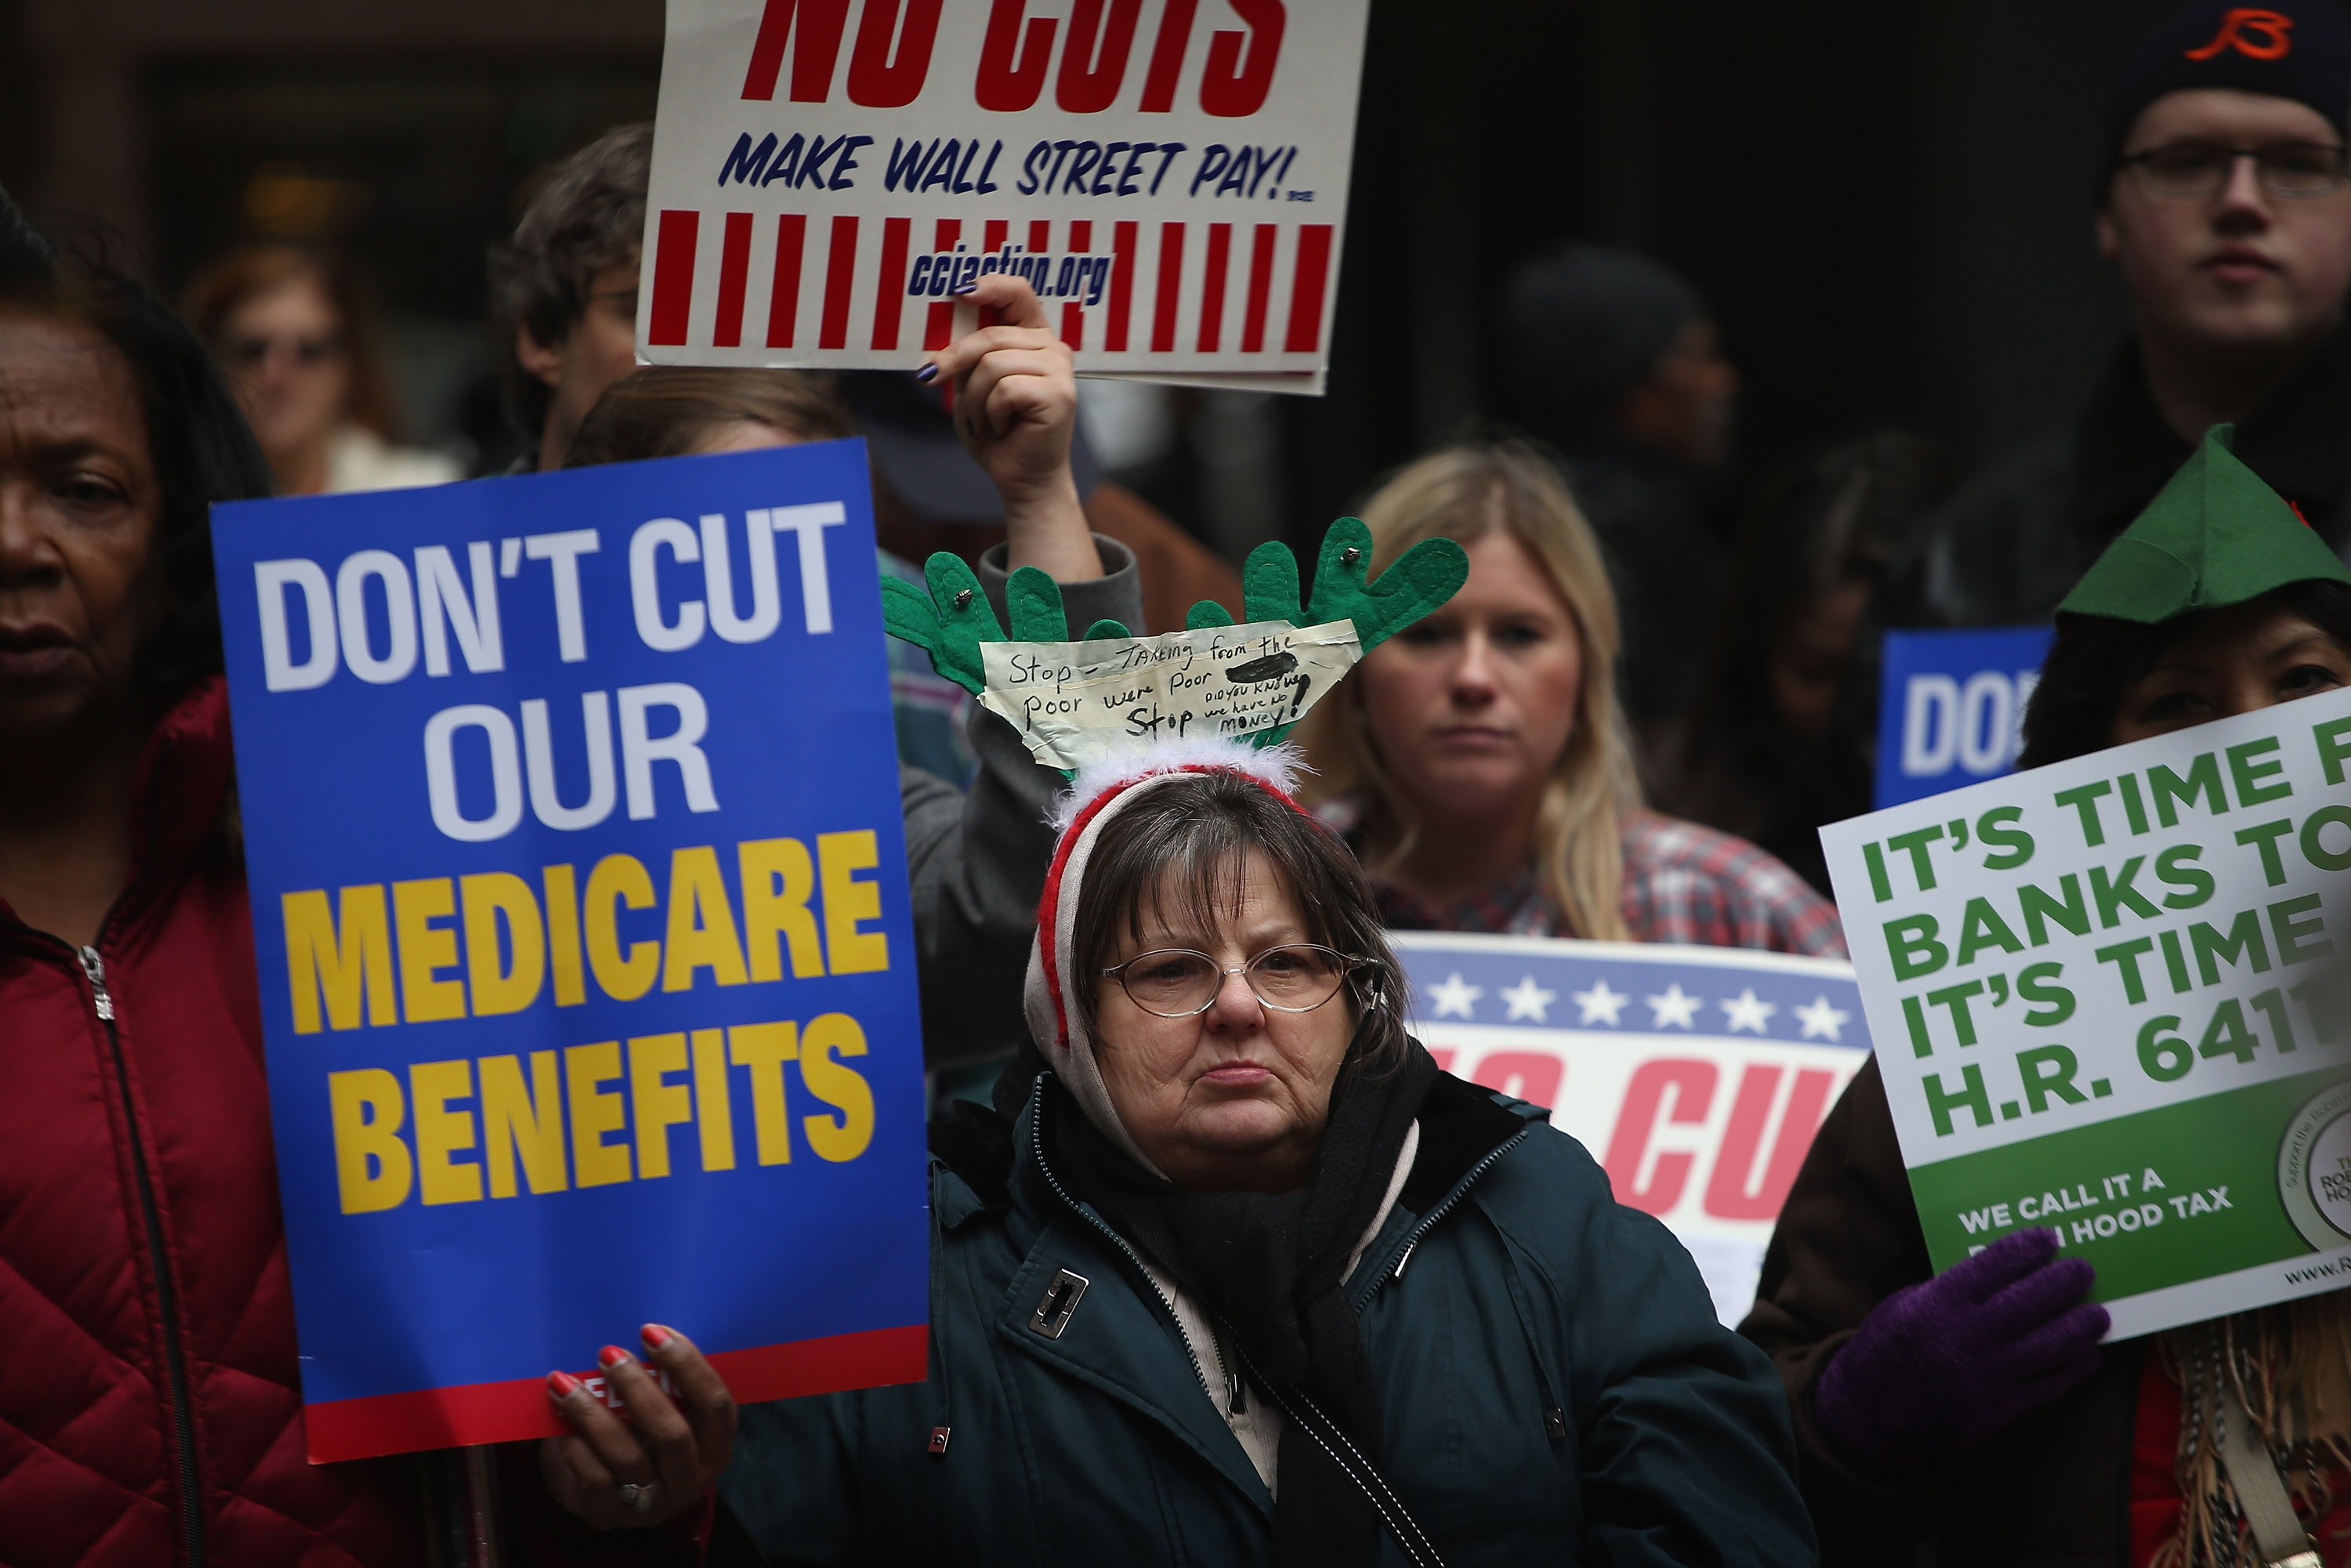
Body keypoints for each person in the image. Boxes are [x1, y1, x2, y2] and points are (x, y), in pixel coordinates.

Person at [0, 193, 727, 1558]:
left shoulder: (391, 881)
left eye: (84, 489)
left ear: (172, 541)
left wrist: (620, 1491)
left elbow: (523, 1376)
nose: (17, 543)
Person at [720, 744, 1820, 1564]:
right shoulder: (907, 1270)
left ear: (1356, 996)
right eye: (1170, 970)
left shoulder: (1538, 1207)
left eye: (1288, 963)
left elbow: (1727, 1526)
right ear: (1068, 1025)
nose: (1239, 1007)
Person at [1743, 425, 2351, 1566]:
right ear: (2087, 770)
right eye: (2179, 702)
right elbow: (1744, 1445)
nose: (2250, 733)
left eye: (2306, 680)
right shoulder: (1956, 1057)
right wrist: (1867, 1413)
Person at [562, 276, 1143, 1072]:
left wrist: (1040, 494)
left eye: (803, 544)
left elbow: (1035, 905)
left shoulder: (849, 819)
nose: (760, 593)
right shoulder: (451, 810)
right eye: (718, 540)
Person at [491, 125, 1240, 634]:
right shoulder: (449, 591)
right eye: (651, 316)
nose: (700, 355)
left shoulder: (891, 615)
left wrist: (1041, 495)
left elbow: (1057, 792)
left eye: (738, 321)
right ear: (541, 337)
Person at [1893, 0, 2351, 631]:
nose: (2241, 200)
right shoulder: (1971, 560)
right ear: (2108, 214)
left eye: (2298, 163)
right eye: (2188, 161)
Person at [1295, 440, 1846, 957]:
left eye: (1519, 635)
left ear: (1587, 671)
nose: (1474, 678)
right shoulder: (1262, 883)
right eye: (1427, 635)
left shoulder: (1731, 907)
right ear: (1354, 670)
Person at [1661, 433, 1947, 889]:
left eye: (1882, 676)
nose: (1851, 714)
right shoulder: (1675, 820)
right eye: (1817, 672)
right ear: (1756, 652)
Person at [1492, 242, 1740, 737]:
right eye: (1698, 356)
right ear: (1634, 384)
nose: (1722, 381)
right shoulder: (1637, 529)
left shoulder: (1533, 498)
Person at [181, 242, 461, 496]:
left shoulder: (424, 493)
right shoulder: (179, 505)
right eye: (252, 350)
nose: (276, 375)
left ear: (348, 365)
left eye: (308, 350)